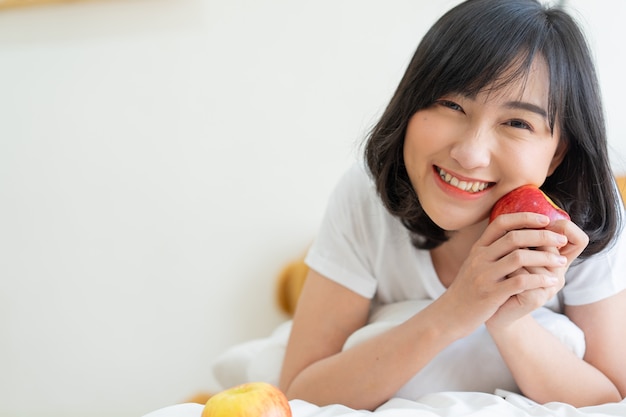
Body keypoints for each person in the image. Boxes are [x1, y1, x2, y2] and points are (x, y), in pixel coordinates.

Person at [278, 0, 626, 411]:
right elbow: (299, 395)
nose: (471, 153)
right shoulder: (365, 195)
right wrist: (457, 309)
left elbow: (612, 401)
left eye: (517, 123)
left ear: (555, 154)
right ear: (410, 106)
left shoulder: (582, 219)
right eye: (452, 105)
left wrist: (504, 317)